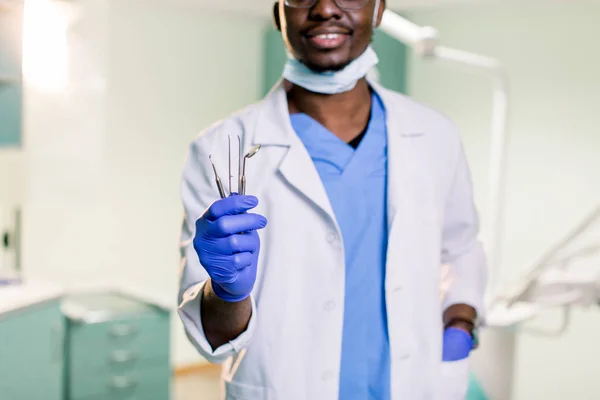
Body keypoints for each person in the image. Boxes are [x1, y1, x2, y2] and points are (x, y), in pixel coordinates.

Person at [177, 0, 487, 399]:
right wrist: (225, 291)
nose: (326, 7)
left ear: (379, 10)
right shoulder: (221, 147)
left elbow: (461, 245)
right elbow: (215, 338)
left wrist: (461, 320)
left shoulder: (434, 134)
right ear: (278, 13)